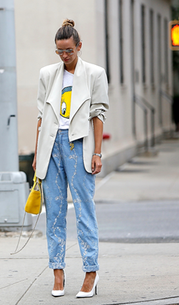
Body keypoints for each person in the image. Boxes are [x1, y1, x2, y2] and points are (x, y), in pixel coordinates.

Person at [32, 19, 109, 299]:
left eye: (68, 51)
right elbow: (41, 116)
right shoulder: (47, 74)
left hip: (79, 146)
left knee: (84, 210)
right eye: (59, 51)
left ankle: (91, 271)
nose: (64, 56)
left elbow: (98, 114)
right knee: (54, 213)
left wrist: (98, 153)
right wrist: (37, 151)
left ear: (79, 46)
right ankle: (58, 271)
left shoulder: (94, 74)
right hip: (50, 147)